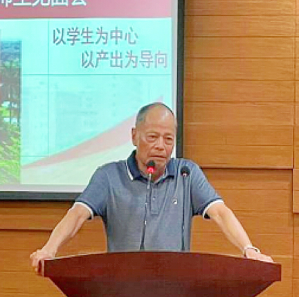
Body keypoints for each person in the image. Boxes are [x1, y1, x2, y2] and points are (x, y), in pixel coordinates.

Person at [30, 102, 273, 273]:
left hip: (176, 288)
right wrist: (49, 250)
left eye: (168, 139)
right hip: (121, 288)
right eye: (152, 137)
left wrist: (249, 249)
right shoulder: (109, 176)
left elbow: (220, 212)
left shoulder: (186, 173)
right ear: (134, 136)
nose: (160, 146)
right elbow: (77, 215)